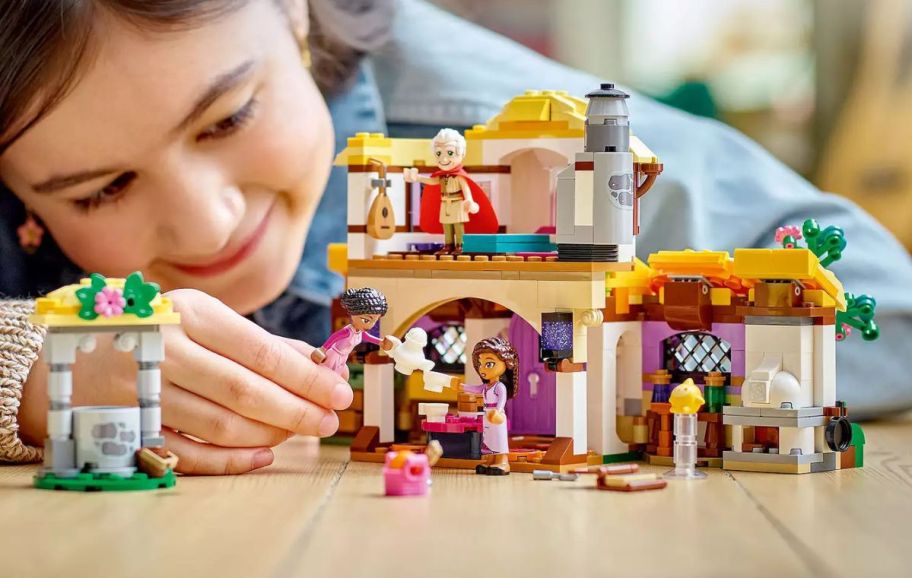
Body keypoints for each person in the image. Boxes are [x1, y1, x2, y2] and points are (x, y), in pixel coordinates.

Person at [1, 0, 909, 476]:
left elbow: (889, 307)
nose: (211, 224)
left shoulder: (519, 147)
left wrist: (603, 370)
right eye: (102, 188)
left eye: (230, 118)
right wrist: (31, 372)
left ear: (296, 11)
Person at [455, 337, 519, 475]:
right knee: (488, 439)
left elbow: (502, 400)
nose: (482, 369)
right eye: (480, 364)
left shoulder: (499, 386)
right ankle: (490, 461)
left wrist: (498, 411)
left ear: (506, 364)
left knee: (498, 439)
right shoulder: (486, 386)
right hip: (486, 415)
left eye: (489, 364)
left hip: (495, 415)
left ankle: (502, 462)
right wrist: (460, 386)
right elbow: (474, 389)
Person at [311, 287, 392, 378]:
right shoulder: (348, 332)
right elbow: (334, 337)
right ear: (354, 313)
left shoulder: (359, 332)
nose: (371, 326)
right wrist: (322, 350)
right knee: (325, 375)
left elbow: (368, 337)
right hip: (334, 356)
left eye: (375, 322)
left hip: (343, 358)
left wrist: (380, 342)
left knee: (336, 377)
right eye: (366, 320)